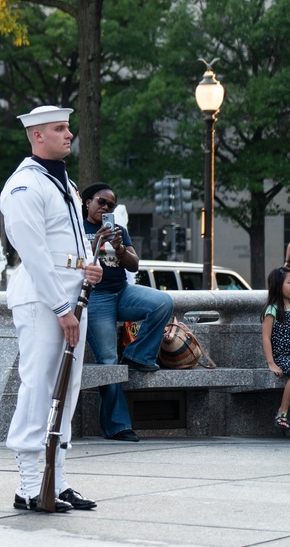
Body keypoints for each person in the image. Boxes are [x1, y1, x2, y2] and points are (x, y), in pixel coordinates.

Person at [0, 105, 101, 513]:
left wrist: (87, 267)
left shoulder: (66, 182)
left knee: (67, 390)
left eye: (68, 127)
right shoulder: (24, 185)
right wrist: (62, 306)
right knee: (39, 385)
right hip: (45, 297)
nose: (68, 134)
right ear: (37, 136)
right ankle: (29, 483)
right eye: (59, 129)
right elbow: (35, 252)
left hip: (71, 293)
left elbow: (68, 245)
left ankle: (55, 480)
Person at [81, 183, 171, 443]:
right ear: (87, 202)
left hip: (122, 292)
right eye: (101, 202)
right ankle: (117, 425)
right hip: (96, 297)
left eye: (111, 204)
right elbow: (75, 263)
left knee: (162, 302)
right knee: (108, 360)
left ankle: (137, 355)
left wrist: (119, 247)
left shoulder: (119, 230)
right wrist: (97, 243)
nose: (106, 208)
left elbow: (134, 263)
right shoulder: (76, 229)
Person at [262, 266, 290, 429]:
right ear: (278, 286)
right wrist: (271, 362)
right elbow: (266, 337)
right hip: (282, 356)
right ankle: (282, 412)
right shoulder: (273, 309)